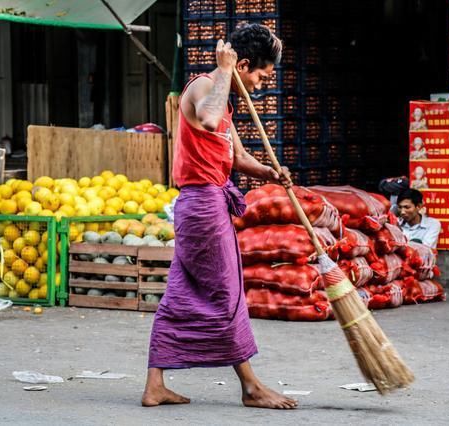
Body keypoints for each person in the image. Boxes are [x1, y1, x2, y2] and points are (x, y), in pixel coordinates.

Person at [142, 24, 297, 410]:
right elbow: (209, 121)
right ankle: (251, 387)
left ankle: (155, 385)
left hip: (207, 203)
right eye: (260, 75)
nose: (261, 85)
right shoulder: (204, 87)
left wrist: (270, 173)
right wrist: (225, 70)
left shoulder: (225, 100)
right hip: (202, 205)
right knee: (227, 293)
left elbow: (236, 157)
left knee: (180, 294)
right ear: (242, 64)